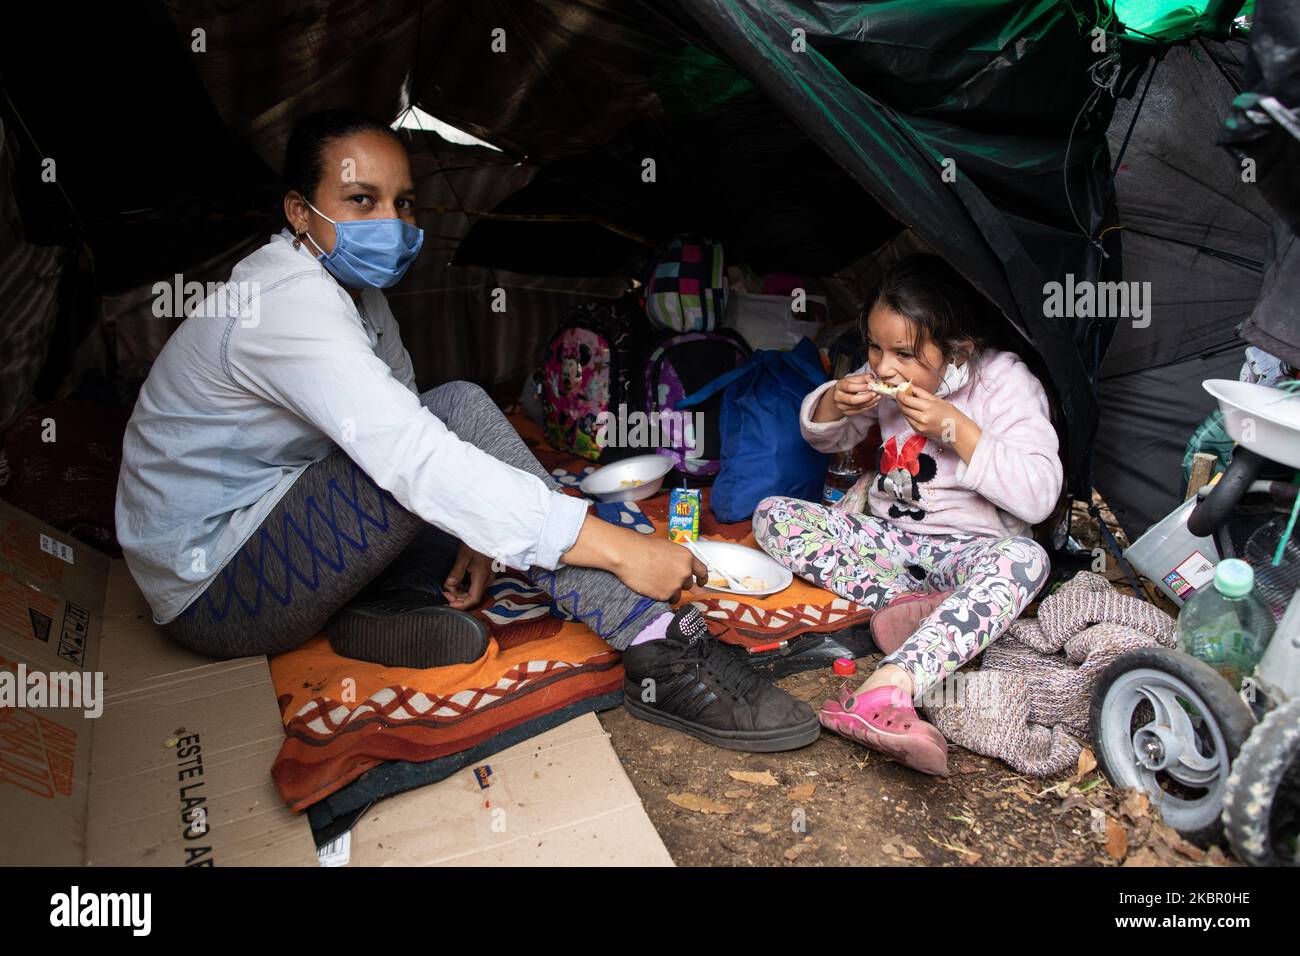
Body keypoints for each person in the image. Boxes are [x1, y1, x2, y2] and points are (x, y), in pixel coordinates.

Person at [114, 108, 818, 753]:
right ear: (300, 211)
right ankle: (653, 637)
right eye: (361, 201)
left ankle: (380, 605)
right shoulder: (284, 303)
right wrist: (617, 547)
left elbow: (410, 435)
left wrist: (478, 530)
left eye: (403, 203)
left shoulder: (354, 297)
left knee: (459, 444)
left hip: (281, 519)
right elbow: (415, 451)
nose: (390, 222)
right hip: (215, 587)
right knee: (451, 420)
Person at [752, 254, 1061, 774]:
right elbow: (827, 437)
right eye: (875, 346)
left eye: (904, 352)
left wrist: (956, 428)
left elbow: (1039, 496)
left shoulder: (1007, 383)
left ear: (958, 350)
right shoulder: (882, 375)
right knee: (772, 515)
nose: (884, 365)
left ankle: (889, 687)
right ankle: (912, 605)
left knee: (1027, 561)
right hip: (890, 544)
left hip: (972, 549)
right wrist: (835, 401)